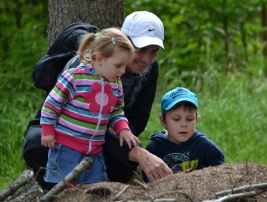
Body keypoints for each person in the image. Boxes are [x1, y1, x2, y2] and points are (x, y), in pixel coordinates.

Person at [23, 11, 172, 190]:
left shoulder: (147, 70)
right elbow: (55, 106)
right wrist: (132, 151)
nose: (146, 60)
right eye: (140, 50)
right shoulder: (84, 66)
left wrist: (121, 135)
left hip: (100, 136)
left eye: (154, 52)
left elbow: (138, 116)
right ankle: (56, 189)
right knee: (40, 145)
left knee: (125, 162)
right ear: (126, 42)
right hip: (63, 130)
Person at [40, 28, 140, 185]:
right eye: (118, 65)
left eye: (125, 66)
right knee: (65, 189)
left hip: (94, 150)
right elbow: (51, 104)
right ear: (99, 58)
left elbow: (116, 111)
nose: (122, 71)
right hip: (67, 147)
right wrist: (47, 130)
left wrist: (123, 128)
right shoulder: (74, 77)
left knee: (95, 189)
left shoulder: (116, 84)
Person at [146, 87, 224, 177]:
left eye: (190, 119)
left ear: (196, 120)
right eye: (176, 119)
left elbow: (222, 173)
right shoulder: (154, 149)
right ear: (163, 121)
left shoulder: (205, 146)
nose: (184, 124)